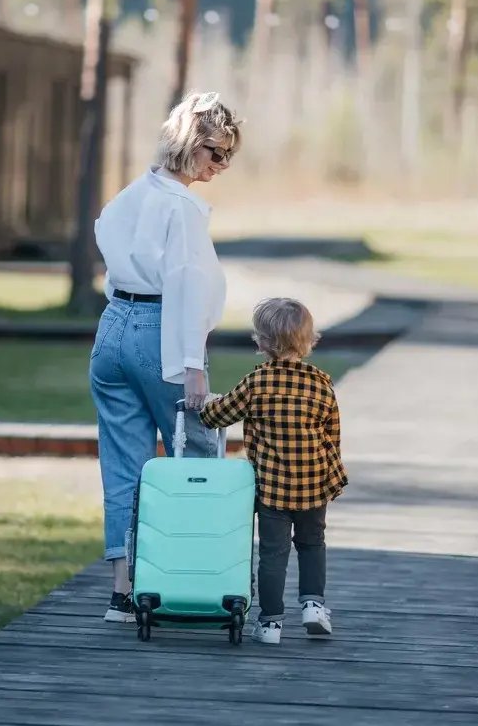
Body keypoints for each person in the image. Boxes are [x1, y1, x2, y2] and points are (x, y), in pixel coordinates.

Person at [91, 90, 242, 622]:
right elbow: (184, 287)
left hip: (113, 328)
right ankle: (190, 580)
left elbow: (105, 239)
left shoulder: (130, 196)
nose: (221, 166)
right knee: (197, 454)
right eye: (216, 153)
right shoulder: (181, 209)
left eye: (227, 156)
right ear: (189, 145)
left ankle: (122, 590)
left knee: (124, 464)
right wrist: (194, 368)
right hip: (162, 331)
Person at [199, 297, 347, 644]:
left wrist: (206, 404)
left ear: (262, 342)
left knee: (272, 554)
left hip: (272, 489)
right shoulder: (321, 384)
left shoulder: (256, 382)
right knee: (312, 544)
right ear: (308, 340)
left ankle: (270, 624)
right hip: (313, 484)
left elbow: (216, 417)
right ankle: (313, 604)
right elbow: (332, 437)